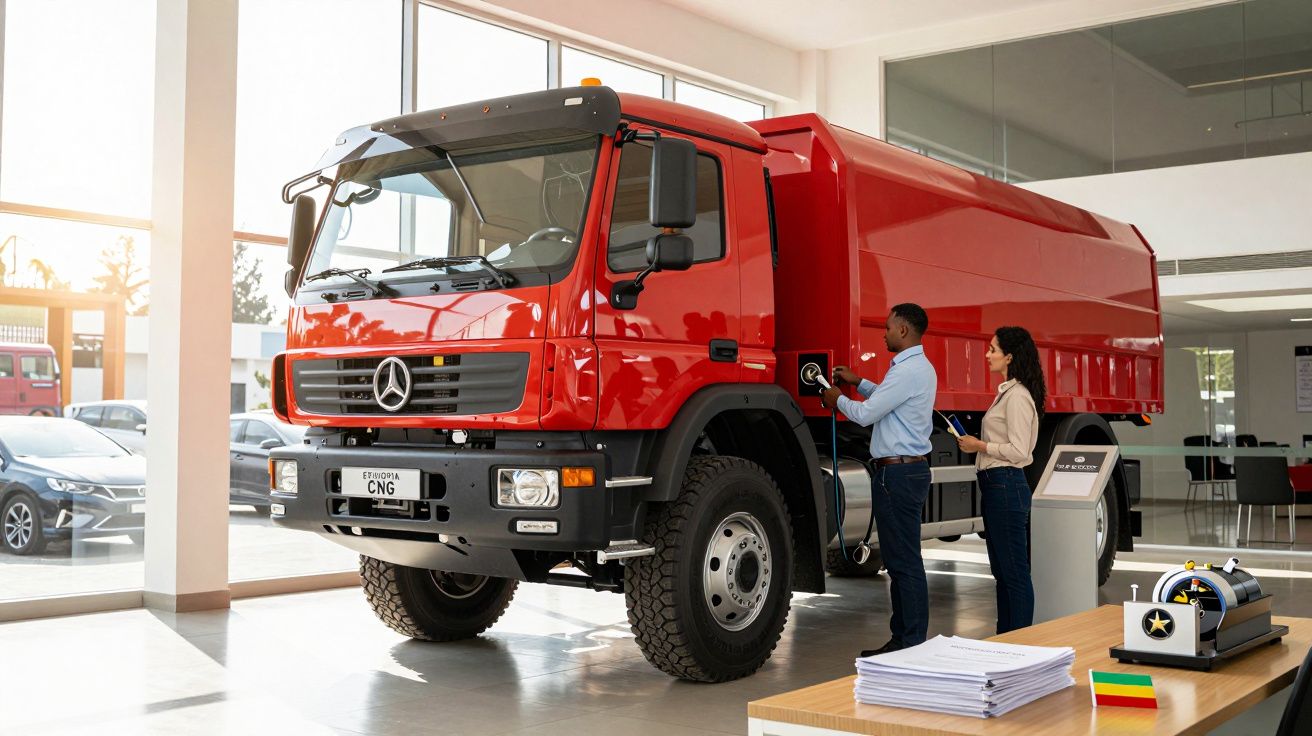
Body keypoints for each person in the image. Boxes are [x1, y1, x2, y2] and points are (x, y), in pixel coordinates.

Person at [821, 303, 937, 656]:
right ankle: (904, 639)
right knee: (903, 560)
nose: (883, 333)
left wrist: (838, 398)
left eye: (888, 328)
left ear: (903, 330)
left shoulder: (907, 370)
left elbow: (868, 415)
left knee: (903, 562)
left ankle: (909, 643)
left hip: (898, 474)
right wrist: (860, 382)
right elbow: (890, 402)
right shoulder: (915, 367)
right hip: (905, 470)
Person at [956, 326, 1045, 634]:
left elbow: (1020, 451)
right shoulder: (1008, 392)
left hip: (1006, 484)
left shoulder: (1018, 397)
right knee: (1003, 572)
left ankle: (1019, 643)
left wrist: (979, 446)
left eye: (992, 349)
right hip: (997, 485)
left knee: (1014, 573)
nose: (987, 354)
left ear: (1009, 356)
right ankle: (1006, 639)